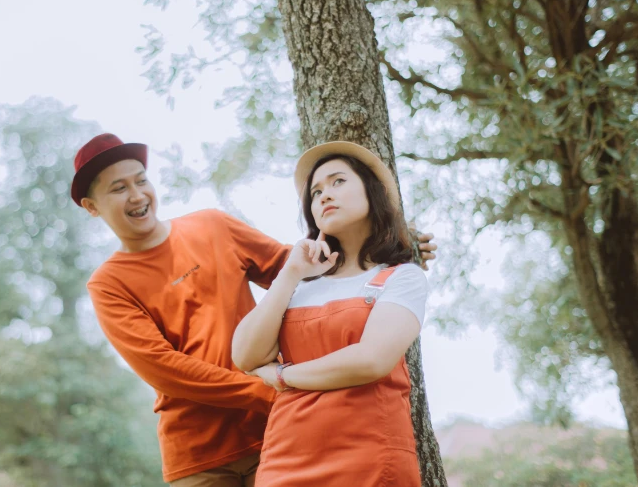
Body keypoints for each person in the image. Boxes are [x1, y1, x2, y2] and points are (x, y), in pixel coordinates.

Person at [72, 133, 437, 486]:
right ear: (92, 206)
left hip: (278, 434)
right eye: (119, 189)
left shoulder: (212, 225)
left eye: (141, 181)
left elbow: (305, 267)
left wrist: (396, 240)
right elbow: (164, 369)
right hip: (200, 452)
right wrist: (272, 388)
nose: (137, 195)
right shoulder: (107, 283)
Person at [231, 141, 428, 486]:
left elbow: (371, 361)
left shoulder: (402, 276)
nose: (323, 195)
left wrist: (282, 376)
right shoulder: (298, 286)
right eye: (315, 192)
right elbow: (245, 354)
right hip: (285, 459)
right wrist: (290, 272)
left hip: (369, 458)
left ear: (372, 192)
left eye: (338, 182)